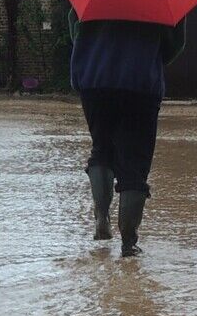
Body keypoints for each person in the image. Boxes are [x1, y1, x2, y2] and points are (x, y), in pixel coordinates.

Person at [69, 14, 185, 257]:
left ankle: (102, 216)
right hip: (140, 80)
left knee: (101, 148)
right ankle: (129, 243)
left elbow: (75, 24)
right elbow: (175, 43)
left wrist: (92, 49)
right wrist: (149, 54)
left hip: (95, 77)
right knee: (135, 163)